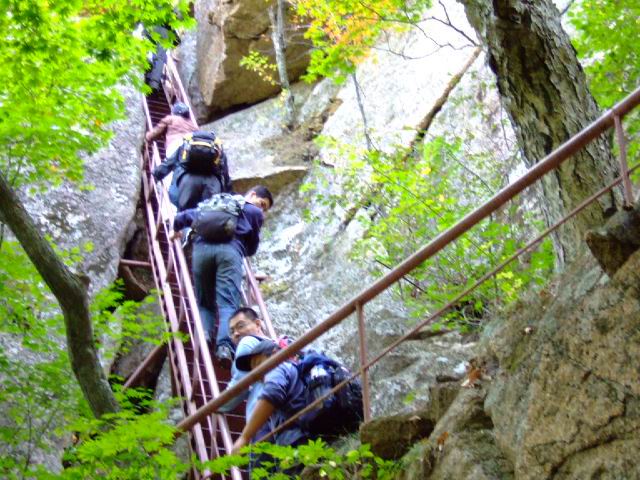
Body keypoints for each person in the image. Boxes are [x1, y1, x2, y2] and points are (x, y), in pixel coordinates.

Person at [171, 186, 274, 364]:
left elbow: (184, 217)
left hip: (201, 251)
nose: (262, 210)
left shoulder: (216, 203)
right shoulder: (253, 212)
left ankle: (204, 336)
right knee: (227, 303)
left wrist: (175, 230)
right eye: (262, 204)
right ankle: (224, 347)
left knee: (204, 302)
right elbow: (252, 248)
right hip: (230, 253)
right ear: (252, 194)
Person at [231, 339, 310, 473]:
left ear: (274, 354)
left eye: (258, 364)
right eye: (253, 371)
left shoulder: (278, 367)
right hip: (301, 442)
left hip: (298, 443)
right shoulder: (292, 374)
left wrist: (244, 438)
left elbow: (272, 393)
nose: (256, 374)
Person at [153, 131, 232, 211]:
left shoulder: (186, 146)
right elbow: (225, 176)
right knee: (210, 213)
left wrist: (156, 174)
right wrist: (228, 193)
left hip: (188, 180)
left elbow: (168, 163)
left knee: (184, 212)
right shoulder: (218, 150)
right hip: (212, 183)